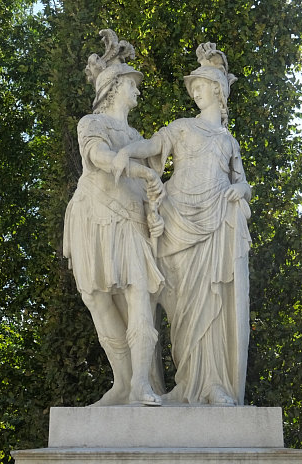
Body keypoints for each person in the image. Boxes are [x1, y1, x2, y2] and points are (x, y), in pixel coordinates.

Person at [112, 42, 252, 405]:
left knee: (211, 302)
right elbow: (153, 145)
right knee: (183, 308)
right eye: (194, 87)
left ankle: (213, 385)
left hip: (216, 221)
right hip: (178, 221)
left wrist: (240, 190)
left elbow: (242, 181)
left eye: (202, 85)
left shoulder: (228, 141)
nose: (196, 91)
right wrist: (126, 151)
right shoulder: (182, 127)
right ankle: (188, 381)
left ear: (217, 91)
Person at [63, 30, 165, 406]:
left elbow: (153, 189)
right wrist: (141, 172)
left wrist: (155, 201)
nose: (137, 90)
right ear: (115, 87)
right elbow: (99, 159)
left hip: (130, 220)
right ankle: (122, 383)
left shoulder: (137, 135)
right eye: (132, 83)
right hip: (93, 214)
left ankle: (141, 382)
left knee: (138, 293)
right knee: (97, 300)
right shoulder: (91, 124)